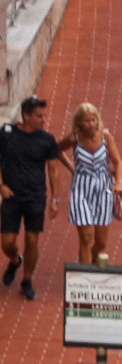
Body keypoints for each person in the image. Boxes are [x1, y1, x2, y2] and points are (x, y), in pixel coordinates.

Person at [0, 96, 63, 300]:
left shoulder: (47, 140)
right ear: (25, 116)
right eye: (38, 115)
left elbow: (53, 170)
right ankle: (15, 260)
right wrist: (1, 185)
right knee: (7, 242)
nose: (43, 119)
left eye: (44, 115)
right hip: (12, 197)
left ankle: (27, 280)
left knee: (32, 240)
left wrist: (55, 199)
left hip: (36, 197)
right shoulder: (7, 135)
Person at [59, 103, 122, 264]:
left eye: (93, 120)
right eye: (87, 121)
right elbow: (55, 150)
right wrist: (71, 168)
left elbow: (118, 162)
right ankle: (85, 273)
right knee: (86, 239)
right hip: (81, 188)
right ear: (79, 122)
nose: (91, 124)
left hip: (103, 187)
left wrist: (118, 182)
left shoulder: (106, 137)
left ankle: (93, 260)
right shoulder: (74, 138)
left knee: (101, 242)